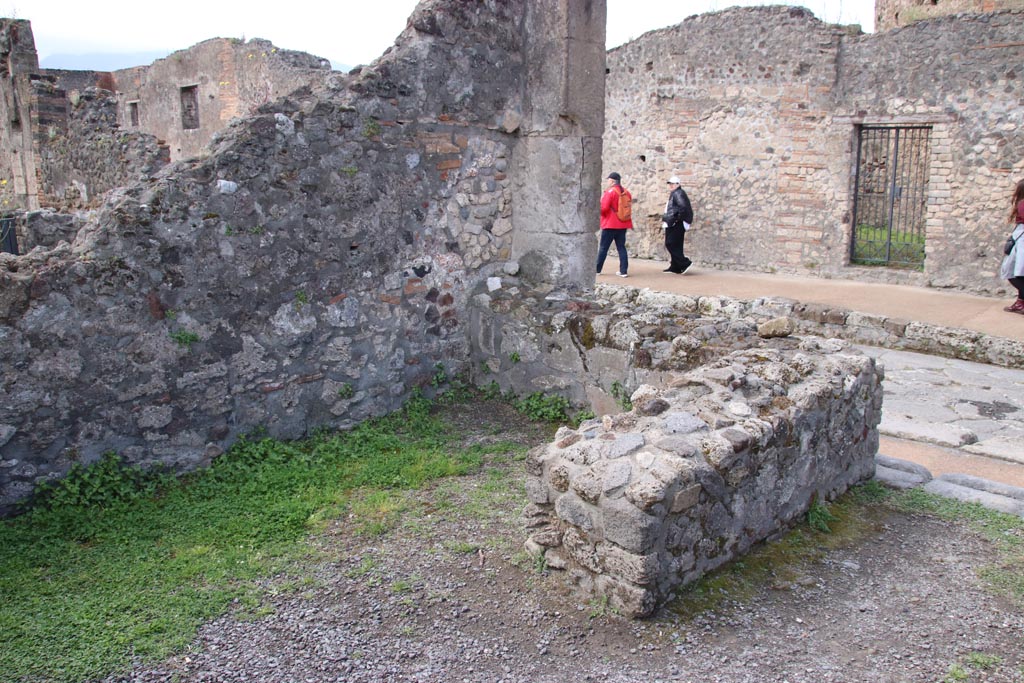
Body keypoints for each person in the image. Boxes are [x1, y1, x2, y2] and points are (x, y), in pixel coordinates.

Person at [596, 172, 632, 277]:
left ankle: (597, 269)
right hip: (623, 224)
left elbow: (604, 208)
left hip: (610, 224)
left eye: (608, 180)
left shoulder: (610, 192)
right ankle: (623, 271)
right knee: (621, 247)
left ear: (612, 181)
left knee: (603, 248)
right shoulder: (626, 192)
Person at [1000, 179, 1024, 314]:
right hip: (1020, 238)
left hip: (1022, 240)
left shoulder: (1022, 203)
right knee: (1019, 273)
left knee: (1012, 272)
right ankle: (1020, 303)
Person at [661, 175, 693, 274]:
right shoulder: (676, 193)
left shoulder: (678, 193)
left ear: (678, 184)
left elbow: (683, 208)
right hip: (674, 221)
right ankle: (675, 266)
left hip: (676, 222)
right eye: (670, 184)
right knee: (677, 244)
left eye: (673, 184)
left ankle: (684, 263)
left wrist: (676, 219)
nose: (671, 185)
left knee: (670, 243)